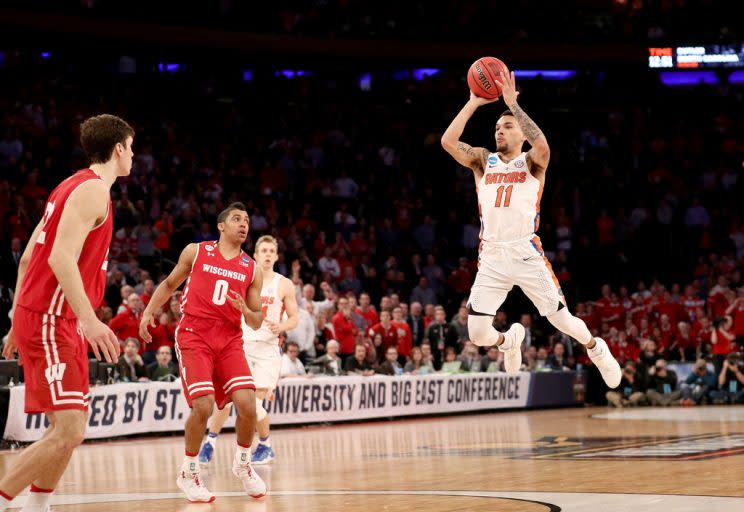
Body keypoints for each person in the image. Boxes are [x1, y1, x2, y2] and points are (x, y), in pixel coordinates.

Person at [440, 71, 620, 389]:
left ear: (520, 132)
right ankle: (509, 341)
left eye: (507, 126)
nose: (500, 131)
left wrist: (513, 105)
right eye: (497, 127)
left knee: (562, 320)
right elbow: (448, 142)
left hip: (526, 252)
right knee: (478, 333)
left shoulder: (532, 162)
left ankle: (596, 348)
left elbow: (542, 143)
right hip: (492, 255)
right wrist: (471, 103)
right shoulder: (483, 161)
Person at [0, 114, 131, 512]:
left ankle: (38, 507)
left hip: (46, 316)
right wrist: (90, 320)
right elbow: (58, 257)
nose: (134, 156)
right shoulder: (93, 191)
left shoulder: (68, 186)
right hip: (52, 318)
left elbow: (27, 258)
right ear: (119, 149)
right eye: (132, 147)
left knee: (69, 429)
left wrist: (13, 322)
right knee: (69, 429)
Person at [139, 202, 266, 502]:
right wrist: (148, 313)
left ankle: (244, 464)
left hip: (230, 339)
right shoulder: (196, 252)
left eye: (246, 220)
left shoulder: (251, 268)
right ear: (221, 226)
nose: (243, 224)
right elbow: (170, 284)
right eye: (236, 219)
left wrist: (245, 310)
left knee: (248, 404)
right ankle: (188, 471)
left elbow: (257, 320)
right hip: (195, 334)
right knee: (204, 405)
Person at [198, 235, 298, 467]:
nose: (267, 254)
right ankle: (210, 442)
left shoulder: (284, 284)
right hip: (240, 345)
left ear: (276, 255)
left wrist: (281, 326)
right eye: (263, 250)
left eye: (271, 251)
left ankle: (265, 444)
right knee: (227, 400)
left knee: (253, 406)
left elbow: (294, 318)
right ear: (255, 254)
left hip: (267, 350)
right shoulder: (245, 278)